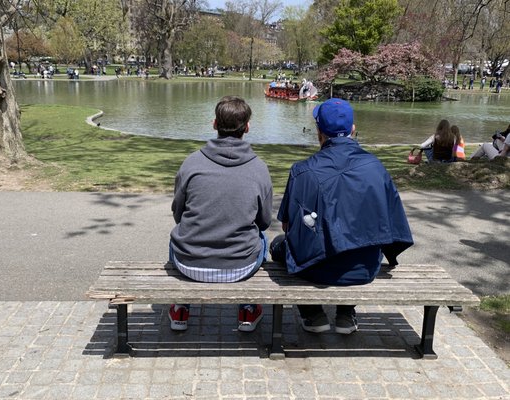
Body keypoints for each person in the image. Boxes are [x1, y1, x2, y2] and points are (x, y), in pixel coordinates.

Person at [270, 98, 413, 334]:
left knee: (278, 245)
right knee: (356, 244)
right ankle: (346, 313)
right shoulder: (375, 167)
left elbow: (288, 226)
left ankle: (313, 313)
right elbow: (394, 226)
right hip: (364, 268)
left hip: (315, 270)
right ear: (353, 129)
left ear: (318, 132)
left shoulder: (302, 170)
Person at [169, 96, 273, 332]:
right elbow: (265, 221)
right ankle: (247, 308)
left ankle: (181, 308)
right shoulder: (259, 168)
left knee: (177, 235)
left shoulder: (191, 163)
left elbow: (179, 214)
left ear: (214, 124)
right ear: (247, 127)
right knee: (261, 239)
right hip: (240, 265)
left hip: (189, 262)